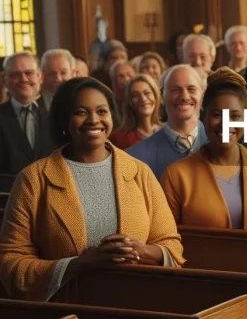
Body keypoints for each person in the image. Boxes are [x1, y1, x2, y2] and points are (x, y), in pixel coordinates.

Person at [0, 77, 184, 301]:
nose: (94, 120)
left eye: (101, 111)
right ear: (63, 119)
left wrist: (142, 251)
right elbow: (11, 262)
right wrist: (77, 264)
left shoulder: (139, 172)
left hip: (137, 304)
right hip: (67, 309)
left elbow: (171, 245)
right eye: (80, 112)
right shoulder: (33, 179)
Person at [160, 68, 247, 232]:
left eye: (235, 116)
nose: (226, 124)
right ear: (203, 117)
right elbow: (166, 234)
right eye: (217, 115)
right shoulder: (176, 175)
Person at [127, 65, 207, 180]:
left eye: (191, 89)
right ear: (161, 95)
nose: (184, 97)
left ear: (202, 94)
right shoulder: (136, 158)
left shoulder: (224, 145)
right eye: (175, 90)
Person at [0, 53, 57, 175]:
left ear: (40, 77)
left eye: (29, 73)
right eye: (15, 74)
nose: (23, 79)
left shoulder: (54, 116)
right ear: (5, 80)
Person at [109, 74, 162, 149]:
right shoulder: (118, 138)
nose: (143, 99)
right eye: (135, 95)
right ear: (129, 102)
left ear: (155, 96)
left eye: (147, 93)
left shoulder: (169, 132)